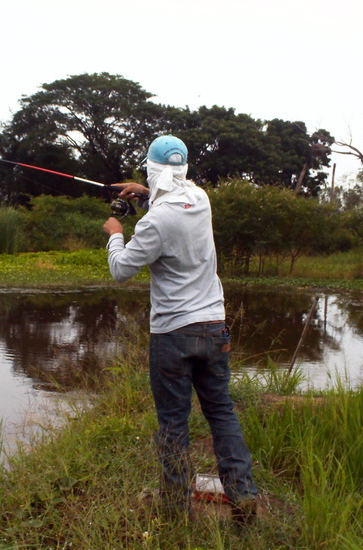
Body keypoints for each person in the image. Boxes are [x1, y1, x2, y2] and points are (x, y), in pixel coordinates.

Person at [102, 135, 258, 522]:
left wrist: (115, 234)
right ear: (183, 168)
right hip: (214, 327)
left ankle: (174, 509)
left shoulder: (155, 221)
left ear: (153, 169)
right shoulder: (201, 199)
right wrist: (146, 193)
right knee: (221, 411)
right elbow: (176, 199)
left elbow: (121, 270)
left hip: (172, 333)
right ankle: (244, 495)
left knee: (173, 422)